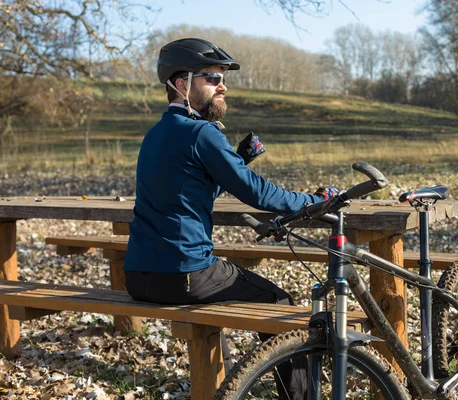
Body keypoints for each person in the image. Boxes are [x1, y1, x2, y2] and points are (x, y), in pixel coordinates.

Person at [123, 38, 337, 399]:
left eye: (222, 78)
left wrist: (236, 162)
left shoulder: (154, 135)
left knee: (257, 294)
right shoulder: (201, 132)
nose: (222, 86)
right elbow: (259, 194)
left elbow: (192, 192)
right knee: (280, 305)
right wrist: (318, 200)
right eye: (211, 77)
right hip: (184, 274)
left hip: (139, 277)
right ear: (182, 84)